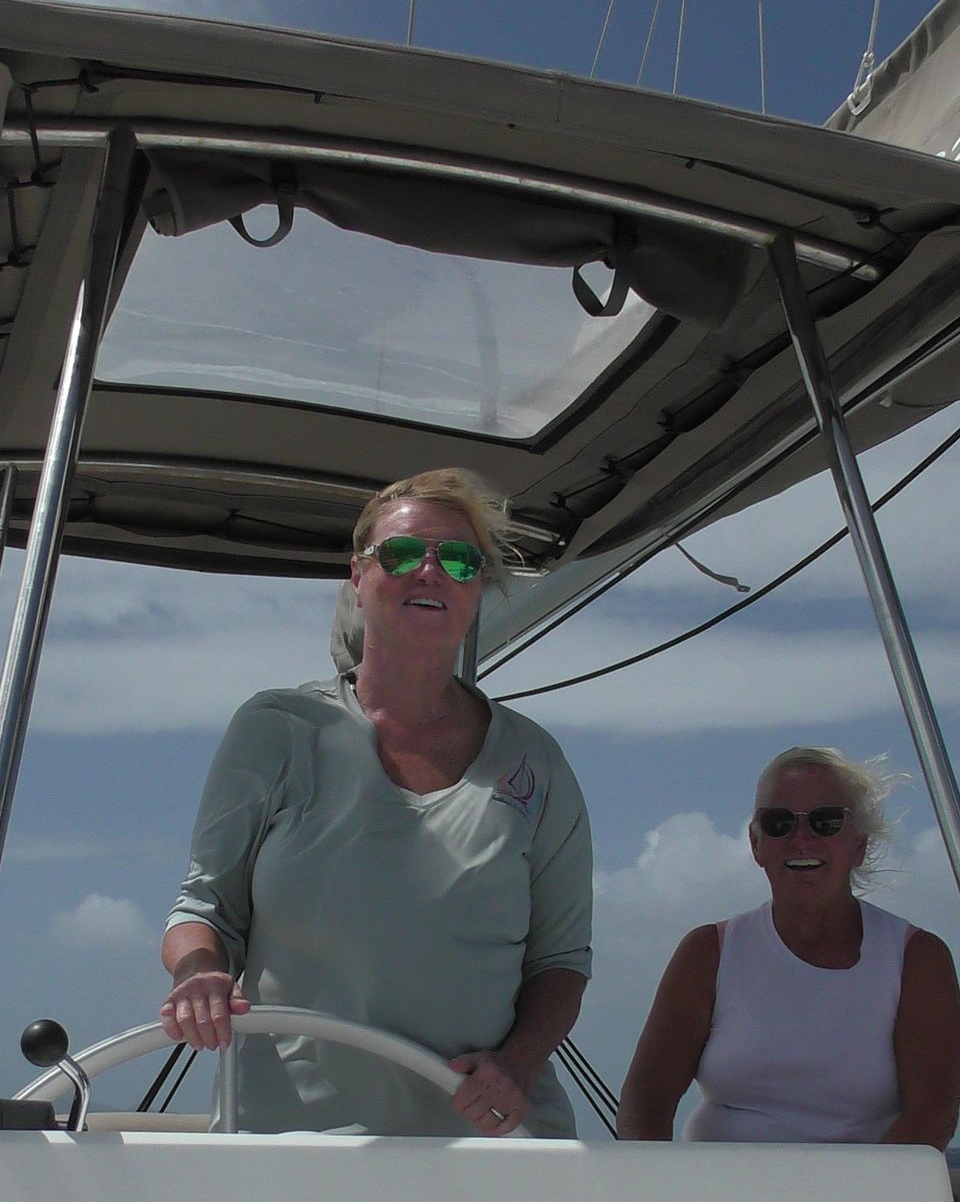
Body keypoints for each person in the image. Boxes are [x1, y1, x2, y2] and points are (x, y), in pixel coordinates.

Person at [160, 467, 593, 1137]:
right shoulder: (277, 729)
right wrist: (199, 975)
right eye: (400, 553)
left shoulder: (536, 763)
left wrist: (520, 1062)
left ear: (478, 588)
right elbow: (203, 910)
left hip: (489, 1142)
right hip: (294, 1143)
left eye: (458, 558)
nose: (429, 571)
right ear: (358, 578)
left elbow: (560, 960)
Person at [618, 747, 960, 1147]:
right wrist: (660, 1191)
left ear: (858, 845)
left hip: (859, 1200)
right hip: (716, 1197)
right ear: (756, 843)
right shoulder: (707, 953)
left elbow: (933, 1112)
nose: (802, 839)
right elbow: (647, 1098)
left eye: (826, 822)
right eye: (779, 822)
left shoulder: (917, 960)